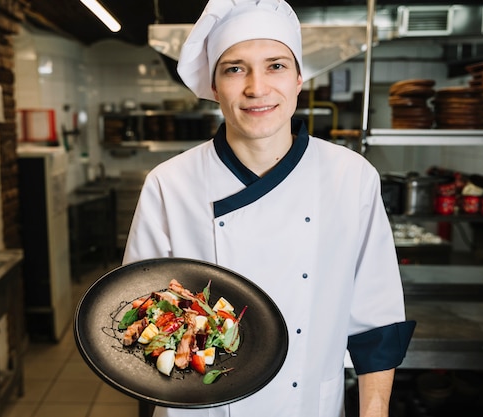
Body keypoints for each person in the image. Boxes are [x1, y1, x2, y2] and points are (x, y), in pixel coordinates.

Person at [123, 0, 416, 416]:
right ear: (214, 86)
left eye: (275, 65)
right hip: (199, 408)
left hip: (307, 404)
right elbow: (142, 322)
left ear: (299, 79)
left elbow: (377, 323)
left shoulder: (351, 177)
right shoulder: (169, 183)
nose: (256, 88)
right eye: (235, 68)